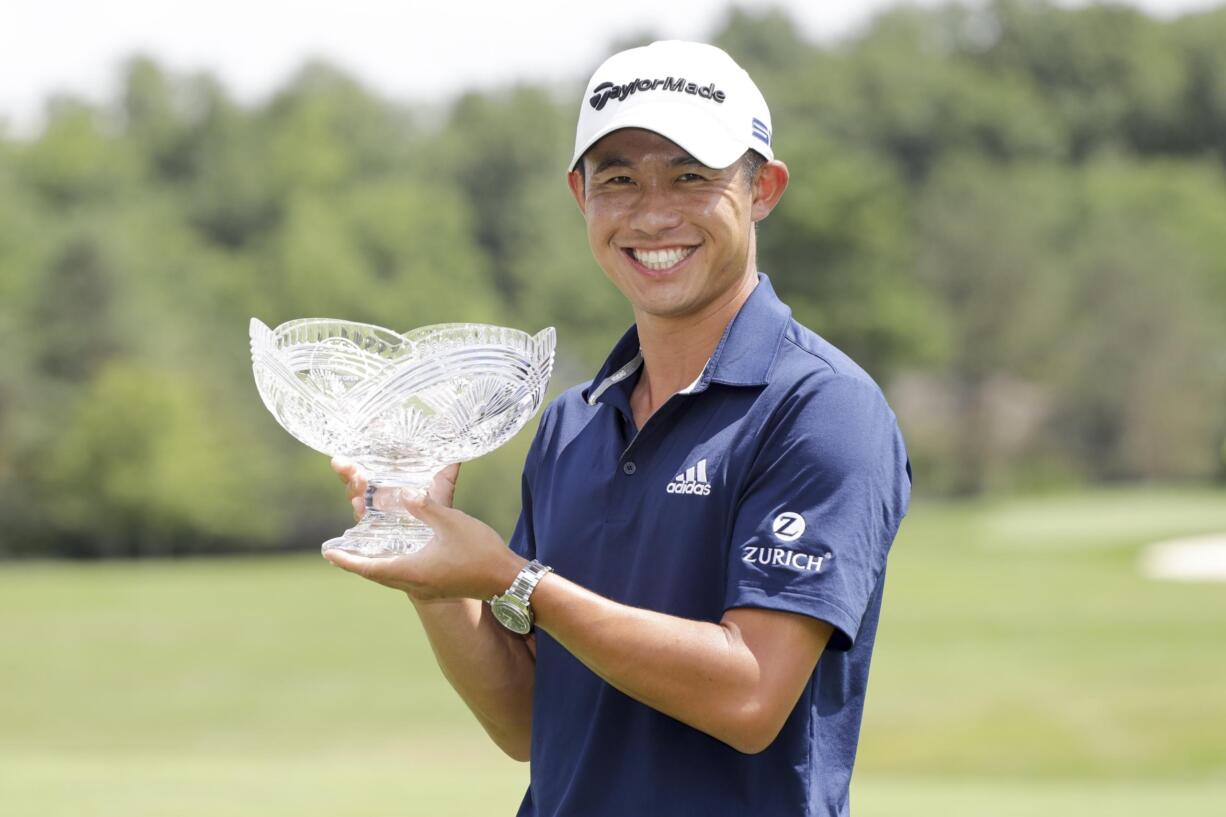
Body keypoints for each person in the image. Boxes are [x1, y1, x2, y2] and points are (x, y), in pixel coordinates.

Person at [327, 40, 911, 817]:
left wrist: (512, 578)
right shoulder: (572, 422)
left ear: (763, 187)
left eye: (691, 177)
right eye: (619, 179)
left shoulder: (822, 406)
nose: (653, 211)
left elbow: (750, 695)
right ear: (580, 195)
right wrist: (435, 580)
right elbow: (529, 719)